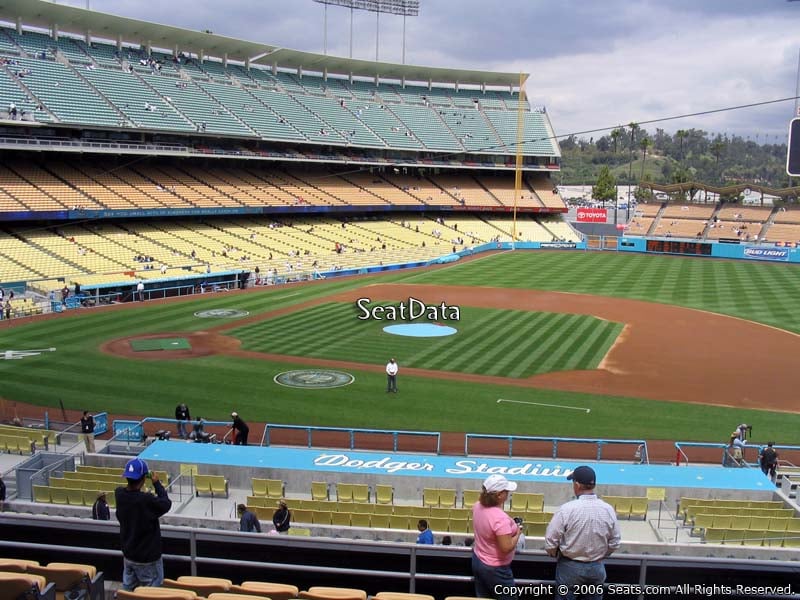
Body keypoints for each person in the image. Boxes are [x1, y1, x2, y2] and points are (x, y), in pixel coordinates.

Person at [545, 466, 621, 600]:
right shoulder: (608, 509)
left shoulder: (567, 509)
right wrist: (602, 555)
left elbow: (551, 540)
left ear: (577, 485)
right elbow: (615, 542)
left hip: (570, 566)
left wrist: (554, 553)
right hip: (597, 566)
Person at [116, 458, 172, 590]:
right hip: (148, 559)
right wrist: (157, 483)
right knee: (151, 593)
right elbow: (166, 503)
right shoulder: (145, 500)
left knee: (128, 592)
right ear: (143, 478)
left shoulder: (119, 494)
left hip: (129, 555)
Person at [471, 474, 522, 599]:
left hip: (478, 560)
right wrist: (518, 533)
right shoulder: (500, 519)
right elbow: (506, 547)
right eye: (506, 491)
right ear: (499, 495)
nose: (508, 493)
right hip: (495, 568)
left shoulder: (477, 506)